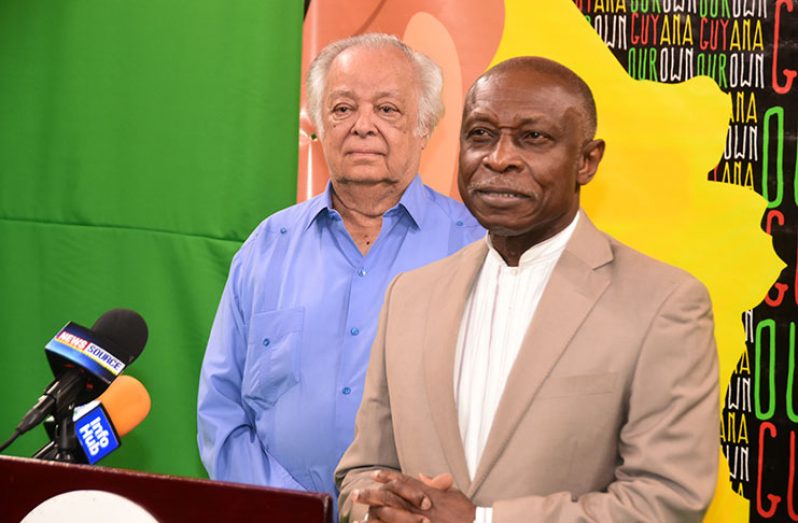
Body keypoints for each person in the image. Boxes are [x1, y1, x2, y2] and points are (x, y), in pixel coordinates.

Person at [336, 56, 719, 522]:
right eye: (480, 135)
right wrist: (376, 510)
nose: (499, 158)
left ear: (587, 160)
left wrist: (482, 521)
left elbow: (666, 501)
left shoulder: (663, 303)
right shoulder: (409, 297)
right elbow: (363, 471)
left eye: (533, 137)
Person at [196, 33, 483, 506]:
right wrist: (296, 510)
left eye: (388, 109)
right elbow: (221, 411)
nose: (362, 126)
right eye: (343, 108)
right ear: (319, 125)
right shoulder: (268, 247)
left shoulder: (474, 248)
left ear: (425, 127)